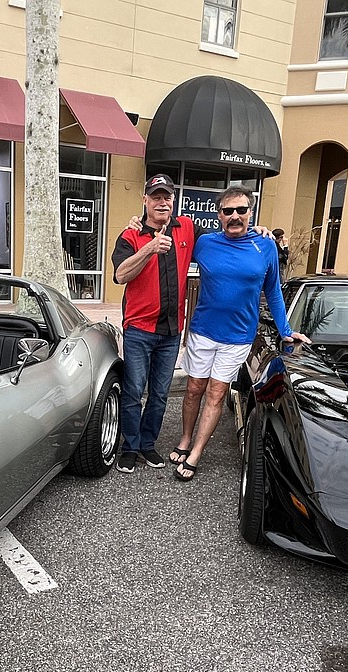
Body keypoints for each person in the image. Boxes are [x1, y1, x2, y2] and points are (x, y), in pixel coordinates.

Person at [171, 186, 310, 482]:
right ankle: (185, 439)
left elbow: (273, 291)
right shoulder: (205, 243)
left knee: (217, 392)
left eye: (241, 210)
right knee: (194, 388)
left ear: (251, 213)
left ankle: (195, 452)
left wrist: (286, 331)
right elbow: (175, 244)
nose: (235, 216)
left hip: (238, 337)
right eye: (228, 211)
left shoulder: (265, 246)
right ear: (219, 215)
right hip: (203, 331)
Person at [110, 173, 195, 473]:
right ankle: (129, 447)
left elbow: (223, 239)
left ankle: (147, 444)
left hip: (171, 333)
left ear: (173, 200)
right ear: (145, 200)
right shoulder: (130, 236)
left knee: (159, 394)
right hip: (139, 331)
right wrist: (149, 247)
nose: (162, 201)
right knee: (133, 391)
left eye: (166, 196)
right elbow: (120, 275)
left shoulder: (185, 228)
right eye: (156, 196)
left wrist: (258, 231)